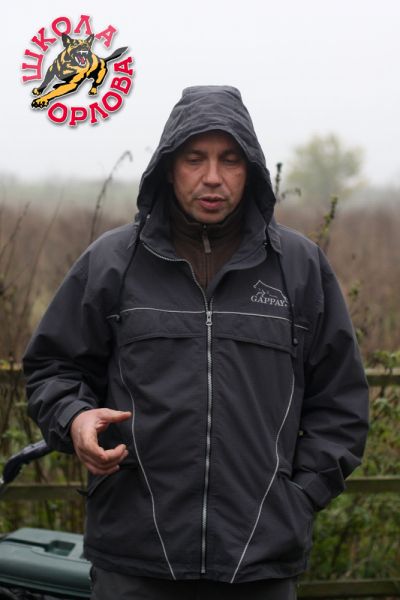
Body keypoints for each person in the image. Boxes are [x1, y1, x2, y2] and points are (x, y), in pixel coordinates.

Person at [23, 86, 369, 600]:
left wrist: (297, 497)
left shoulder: (299, 269)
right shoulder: (112, 263)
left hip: (259, 564)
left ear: (250, 169)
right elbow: (53, 368)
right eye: (194, 159)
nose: (212, 176)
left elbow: (340, 402)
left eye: (230, 159)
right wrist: (74, 418)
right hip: (133, 559)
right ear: (168, 168)